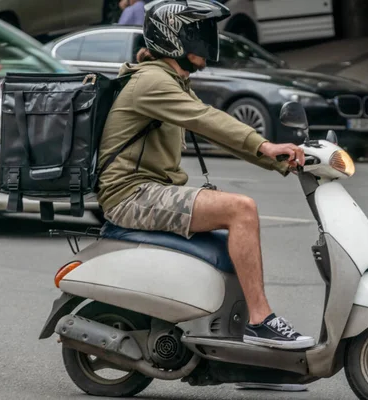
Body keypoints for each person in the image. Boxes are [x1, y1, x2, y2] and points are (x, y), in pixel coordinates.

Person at [96, 0, 315, 350]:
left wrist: (280, 161)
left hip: (150, 190)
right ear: (173, 39)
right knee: (240, 209)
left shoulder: (170, 79)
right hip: (131, 196)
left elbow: (212, 127)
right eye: (197, 33)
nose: (207, 41)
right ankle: (260, 320)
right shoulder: (152, 81)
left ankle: (239, 342)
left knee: (234, 221)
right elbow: (208, 119)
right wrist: (265, 146)